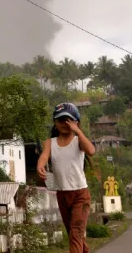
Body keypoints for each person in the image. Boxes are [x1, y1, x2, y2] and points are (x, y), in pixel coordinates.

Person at [37, 103, 97, 253]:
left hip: (80, 195)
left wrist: (78, 131)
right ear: (55, 123)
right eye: (60, 120)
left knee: (76, 233)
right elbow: (44, 156)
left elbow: (91, 150)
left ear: (76, 122)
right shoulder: (50, 143)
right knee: (73, 234)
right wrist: (40, 165)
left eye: (68, 120)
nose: (64, 123)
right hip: (62, 194)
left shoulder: (78, 141)